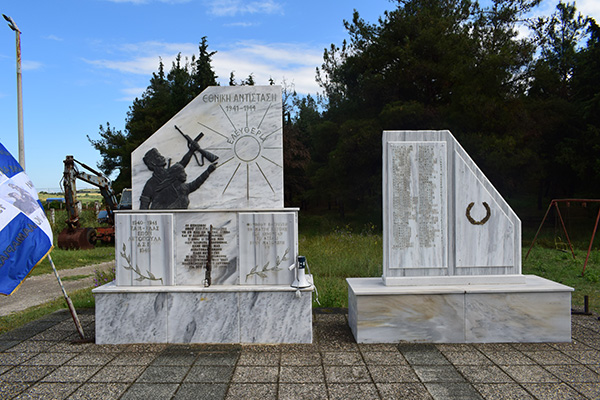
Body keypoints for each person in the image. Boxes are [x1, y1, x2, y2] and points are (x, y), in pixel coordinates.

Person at [150, 162, 216, 209]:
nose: (185, 175)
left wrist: (208, 171)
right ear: (176, 175)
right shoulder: (165, 191)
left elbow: (197, 183)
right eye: (182, 172)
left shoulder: (184, 188)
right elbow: (154, 208)